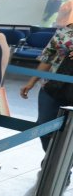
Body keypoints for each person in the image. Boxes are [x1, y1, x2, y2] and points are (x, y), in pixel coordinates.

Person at [19, 19, 73, 152]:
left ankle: (61, 165)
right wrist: (32, 81)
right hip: (51, 86)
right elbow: (48, 58)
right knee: (43, 126)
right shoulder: (64, 31)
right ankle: (52, 159)